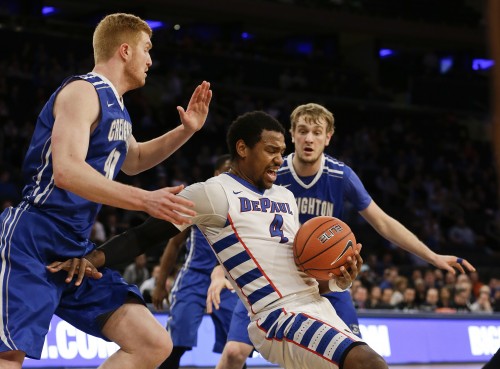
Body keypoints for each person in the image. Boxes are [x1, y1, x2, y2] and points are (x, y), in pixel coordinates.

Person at [48, 111, 388, 369]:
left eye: (281, 151)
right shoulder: (214, 193)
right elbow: (145, 235)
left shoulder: (286, 197)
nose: (278, 159)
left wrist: (336, 281)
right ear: (242, 148)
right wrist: (92, 258)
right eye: (271, 150)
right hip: (278, 316)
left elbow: (302, 272)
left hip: (318, 306)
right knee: (368, 363)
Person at [0, 12, 212, 369]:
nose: (150, 59)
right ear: (125, 51)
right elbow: (66, 170)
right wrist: (145, 200)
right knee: (9, 356)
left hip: (76, 250)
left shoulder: (119, 109)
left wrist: (186, 130)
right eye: (147, 49)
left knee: (152, 342)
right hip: (33, 238)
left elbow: (136, 159)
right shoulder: (83, 91)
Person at [210, 102, 476, 369]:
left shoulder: (341, 175)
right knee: (234, 353)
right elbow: (234, 221)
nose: (308, 138)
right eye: (302, 131)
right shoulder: (271, 173)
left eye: (316, 132)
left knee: (356, 360)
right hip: (277, 280)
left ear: (328, 137)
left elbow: (382, 222)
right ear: (291, 134)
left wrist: (431, 256)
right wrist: (220, 272)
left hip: (327, 276)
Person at [152, 155, 240, 369]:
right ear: (215, 174)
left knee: (236, 349)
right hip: (195, 276)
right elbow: (174, 245)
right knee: (174, 345)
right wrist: (160, 283)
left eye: (233, 172)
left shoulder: (244, 206)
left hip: (228, 281)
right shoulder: (199, 203)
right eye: (224, 171)